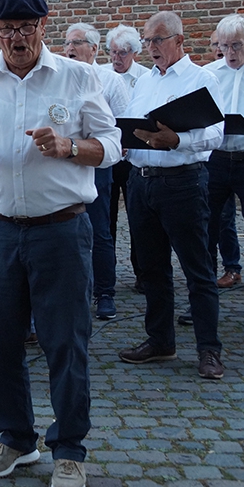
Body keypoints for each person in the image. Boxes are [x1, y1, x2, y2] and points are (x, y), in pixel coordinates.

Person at [0, 0, 121, 487]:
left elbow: (111, 145)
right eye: (6, 30)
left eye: (26, 28)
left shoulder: (77, 75)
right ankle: (15, 439)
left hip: (60, 229)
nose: (16, 38)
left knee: (65, 341)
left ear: (44, 26)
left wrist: (69, 146)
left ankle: (68, 450)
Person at [117, 11, 225, 381]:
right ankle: (161, 340)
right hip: (141, 182)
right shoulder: (144, 81)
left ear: (180, 40)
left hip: (183, 182)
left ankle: (209, 349)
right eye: (147, 41)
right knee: (152, 268)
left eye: (158, 40)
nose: (151, 48)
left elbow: (216, 135)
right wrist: (127, 143)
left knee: (197, 268)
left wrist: (178, 140)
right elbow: (134, 123)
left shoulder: (201, 78)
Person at [63, 23, 130, 320]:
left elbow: (123, 124)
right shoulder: (61, 77)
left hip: (98, 163)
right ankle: (76, 289)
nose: (70, 48)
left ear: (94, 48)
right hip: (66, 163)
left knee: (100, 229)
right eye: (67, 42)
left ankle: (105, 292)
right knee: (69, 230)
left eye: (77, 42)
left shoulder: (110, 81)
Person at [204, 14, 244, 329]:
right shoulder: (210, 73)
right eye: (223, 46)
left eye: (236, 45)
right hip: (217, 158)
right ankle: (202, 299)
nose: (230, 53)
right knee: (205, 232)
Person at [103, 24, 149, 293]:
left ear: (135, 53)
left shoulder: (144, 77)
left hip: (133, 157)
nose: (116, 58)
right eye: (113, 52)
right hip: (109, 158)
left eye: (122, 53)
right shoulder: (101, 75)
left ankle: (142, 272)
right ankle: (106, 274)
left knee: (138, 219)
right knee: (106, 219)